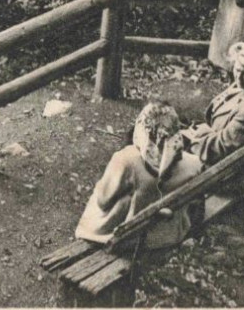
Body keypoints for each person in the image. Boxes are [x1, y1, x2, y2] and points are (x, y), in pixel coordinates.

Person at [75, 101, 201, 249]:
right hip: (171, 233)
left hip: (134, 239)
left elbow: (103, 201)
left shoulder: (127, 160)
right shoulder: (194, 163)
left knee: (113, 196)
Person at [182, 42, 244, 171]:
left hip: (231, 170)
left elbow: (220, 150)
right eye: (237, 69)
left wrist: (193, 139)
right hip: (223, 140)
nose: (238, 77)